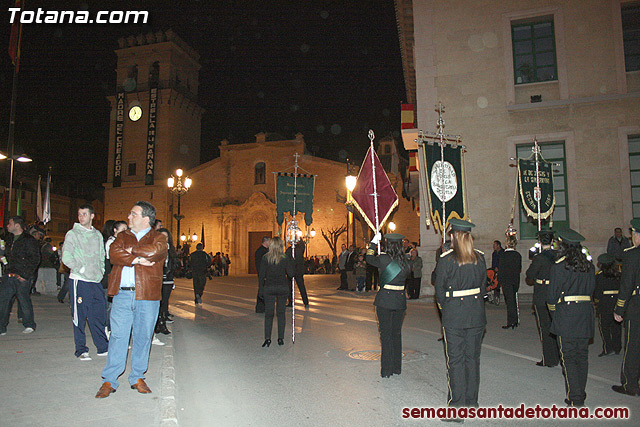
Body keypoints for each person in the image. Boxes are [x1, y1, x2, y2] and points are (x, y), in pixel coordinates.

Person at [95, 201, 168, 398]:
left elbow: (156, 251)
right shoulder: (122, 236)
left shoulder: (159, 237)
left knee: (143, 337)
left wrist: (130, 251)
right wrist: (136, 259)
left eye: (133, 214)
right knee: (118, 336)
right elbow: (113, 254)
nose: (129, 217)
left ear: (146, 218)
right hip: (123, 294)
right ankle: (109, 379)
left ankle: (137, 376)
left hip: (148, 295)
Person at [434, 218, 487, 409]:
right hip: (476, 315)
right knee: (472, 360)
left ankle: (457, 406)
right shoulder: (480, 258)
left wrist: (445, 309)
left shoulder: (445, 260)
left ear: (453, 236)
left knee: (455, 361)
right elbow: (483, 288)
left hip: (454, 315)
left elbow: (439, 293)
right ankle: (472, 402)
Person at [547, 228, 595, 407]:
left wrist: (555, 315)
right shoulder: (589, 266)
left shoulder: (560, 267)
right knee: (582, 356)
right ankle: (580, 392)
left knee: (568, 357)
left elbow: (551, 298)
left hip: (566, 314)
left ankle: (575, 397)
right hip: (585, 313)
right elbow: (592, 290)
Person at [62, 204, 109, 361]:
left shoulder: (97, 235)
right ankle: (81, 349)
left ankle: (102, 347)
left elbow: (102, 256)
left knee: (98, 314)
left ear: (92, 216)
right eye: (79, 214)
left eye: (84, 214)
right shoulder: (73, 234)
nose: (81, 217)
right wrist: (80, 269)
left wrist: (100, 271)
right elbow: (66, 256)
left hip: (95, 281)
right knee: (79, 316)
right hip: (79, 280)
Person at [367, 233, 411, 378]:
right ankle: (396, 367)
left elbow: (368, 258)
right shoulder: (406, 260)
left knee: (385, 335)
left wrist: (373, 243)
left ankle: (386, 370)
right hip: (399, 301)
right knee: (396, 334)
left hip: (384, 300)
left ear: (388, 244)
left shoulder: (383, 259)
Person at [612, 219, 640, 396]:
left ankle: (630, 384)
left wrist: (619, 309)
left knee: (633, 344)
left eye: (633, 234)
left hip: (636, 305)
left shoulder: (632, 255)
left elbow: (627, 285)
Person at [0, 216, 41, 335]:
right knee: (4, 301)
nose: (7, 226)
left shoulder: (28, 240)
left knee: (24, 301)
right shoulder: (9, 239)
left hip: (21, 276)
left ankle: (29, 324)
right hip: (9, 274)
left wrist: (26, 275)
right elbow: (8, 255)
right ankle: (1, 327)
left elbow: (35, 258)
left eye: (10, 223)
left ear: (17, 225)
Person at [525, 228, 559, 367]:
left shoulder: (539, 258)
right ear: (552, 241)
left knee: (545, 327)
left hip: (542, 293)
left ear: (540, 241)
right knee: (557, 325)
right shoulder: (559, 256)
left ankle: (549, 358)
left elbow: (529, 275)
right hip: (556, 292)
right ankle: (559, 355)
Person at [258, 236, 294, 347]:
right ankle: (280, 338)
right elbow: (291, 274)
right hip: (282, 288)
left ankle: (267, 338)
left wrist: (260, 290)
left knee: (269, 314)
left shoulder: (265, 258)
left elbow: (261, 275)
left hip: (269, 288)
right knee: (281, 313)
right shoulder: (285, 257)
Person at [593, 253, 621, 357]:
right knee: (616, 326)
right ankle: (617, 347)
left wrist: (597, 302)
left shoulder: (600, 276)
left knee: (604, 326)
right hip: (616, 302)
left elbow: (597, 292)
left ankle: (608, 348)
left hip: (604, 302)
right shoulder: (618, 275)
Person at [156, 228, 178, 336]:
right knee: (157, 302)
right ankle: (157, 323)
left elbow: (174, 262)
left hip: (168, 279)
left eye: (166, 236)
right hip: (158, 278)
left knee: (165, 301)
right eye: (162, 236)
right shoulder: (155, 248)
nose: (164, 238)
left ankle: (163, 322)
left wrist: (171, 271)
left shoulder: (171, 249)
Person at [499, 235, 522, 329]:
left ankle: (511, 322)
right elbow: (519, 269)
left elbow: (501, 269)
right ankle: (515, 320)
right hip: (514, 280)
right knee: (513, 300)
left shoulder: (503, 255)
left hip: (506, 281)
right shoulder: (517, 255)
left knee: (509, 302)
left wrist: (500, 281)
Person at [286, 240, 309, 307]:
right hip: (297, 271)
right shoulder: (300, 249)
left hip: (292, 271)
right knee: (301, 287)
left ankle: (291, 302)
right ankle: (305, 302)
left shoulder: (290, 250)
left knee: (291, 288)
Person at [255, 236, 270, 313]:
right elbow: (259, 264)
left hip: (265, 273)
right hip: (263, 273)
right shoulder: (260, 251)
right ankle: (260, 307)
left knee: (264, 289)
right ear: (266, 242)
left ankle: (263, 306)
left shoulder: (265, 250)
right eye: (269, 241)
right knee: (262, 290)